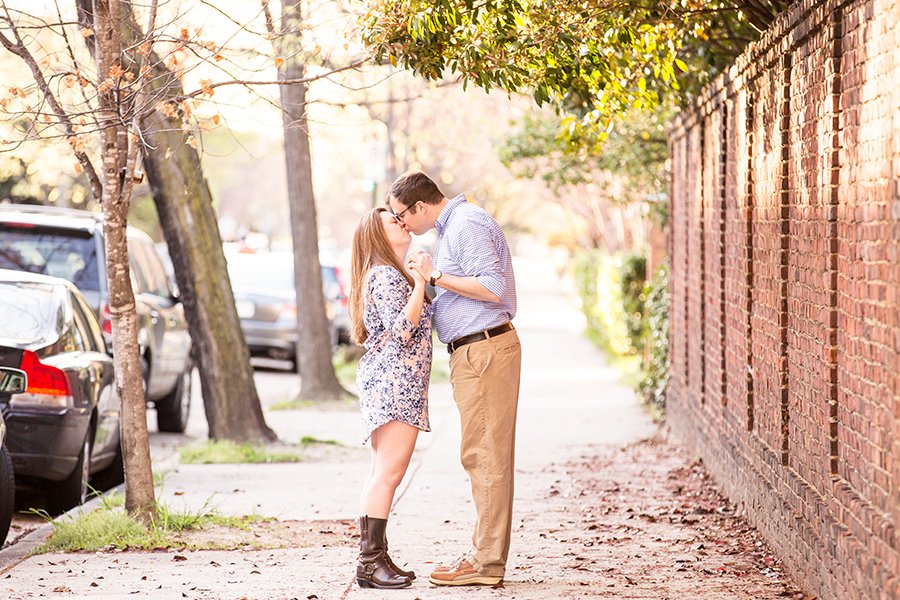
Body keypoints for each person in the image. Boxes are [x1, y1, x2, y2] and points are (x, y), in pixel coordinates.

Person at [388, 171, 522, 586]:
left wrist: (435, 276)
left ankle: (485, 564)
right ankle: (485, 556)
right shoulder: (452, 230)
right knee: (482, 456)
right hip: (474, 352)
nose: (403, 224)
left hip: (484, 350)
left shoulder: (466, 224)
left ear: (420, 206)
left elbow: (493, 288)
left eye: (402, 215)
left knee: (485, 457)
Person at [348, 207, 434, 589]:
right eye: (393, 222)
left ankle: (375, 558)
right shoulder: (384, 275)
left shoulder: (387, 272)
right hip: (394, 384)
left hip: (396, 383)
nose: (402, 224)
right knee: (388, 474)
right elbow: (402, 331)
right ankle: (369, 562)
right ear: (378, 237)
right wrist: (420, 283)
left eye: (400, 220)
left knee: (382, 474)